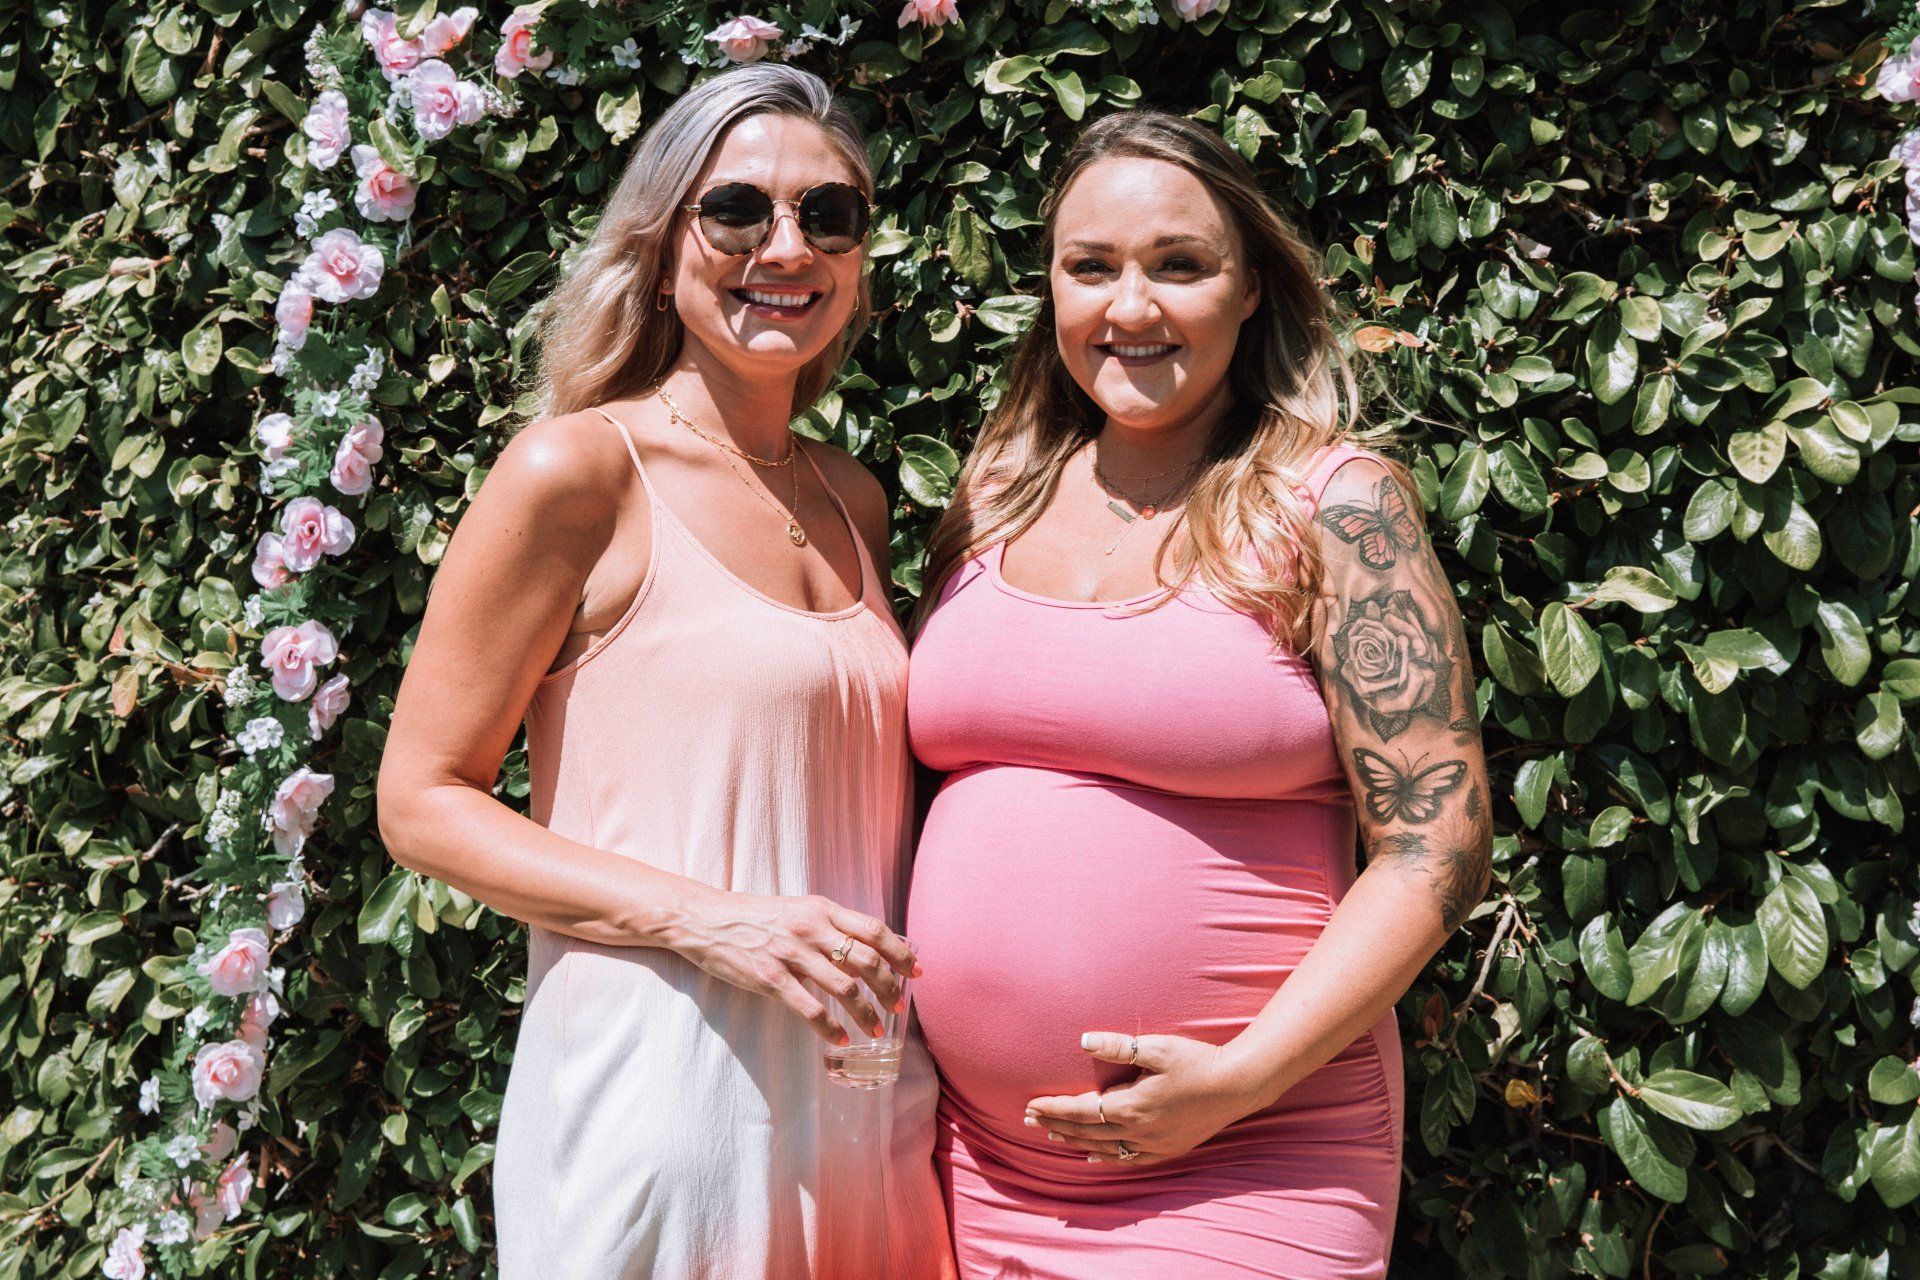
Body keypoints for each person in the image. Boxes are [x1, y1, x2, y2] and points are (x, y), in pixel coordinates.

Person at [375, 64, 952, 1280]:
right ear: (659, 241)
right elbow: (420, 801)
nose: (785, 247)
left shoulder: (853, 499)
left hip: (864, 1113)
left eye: (829, 214)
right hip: (660, 1110)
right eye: (736, 209)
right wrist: (712, 918)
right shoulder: (578, 472)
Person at [904, 111, 1493, 1278]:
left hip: (1253, 1149)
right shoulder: (994, 493)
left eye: (1179, 265)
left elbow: (1440, 845)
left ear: (1251, 288)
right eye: (1091, 267)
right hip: (977, 1166)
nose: (1130, 306)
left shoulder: (1337, 505)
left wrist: (1241, 1077)